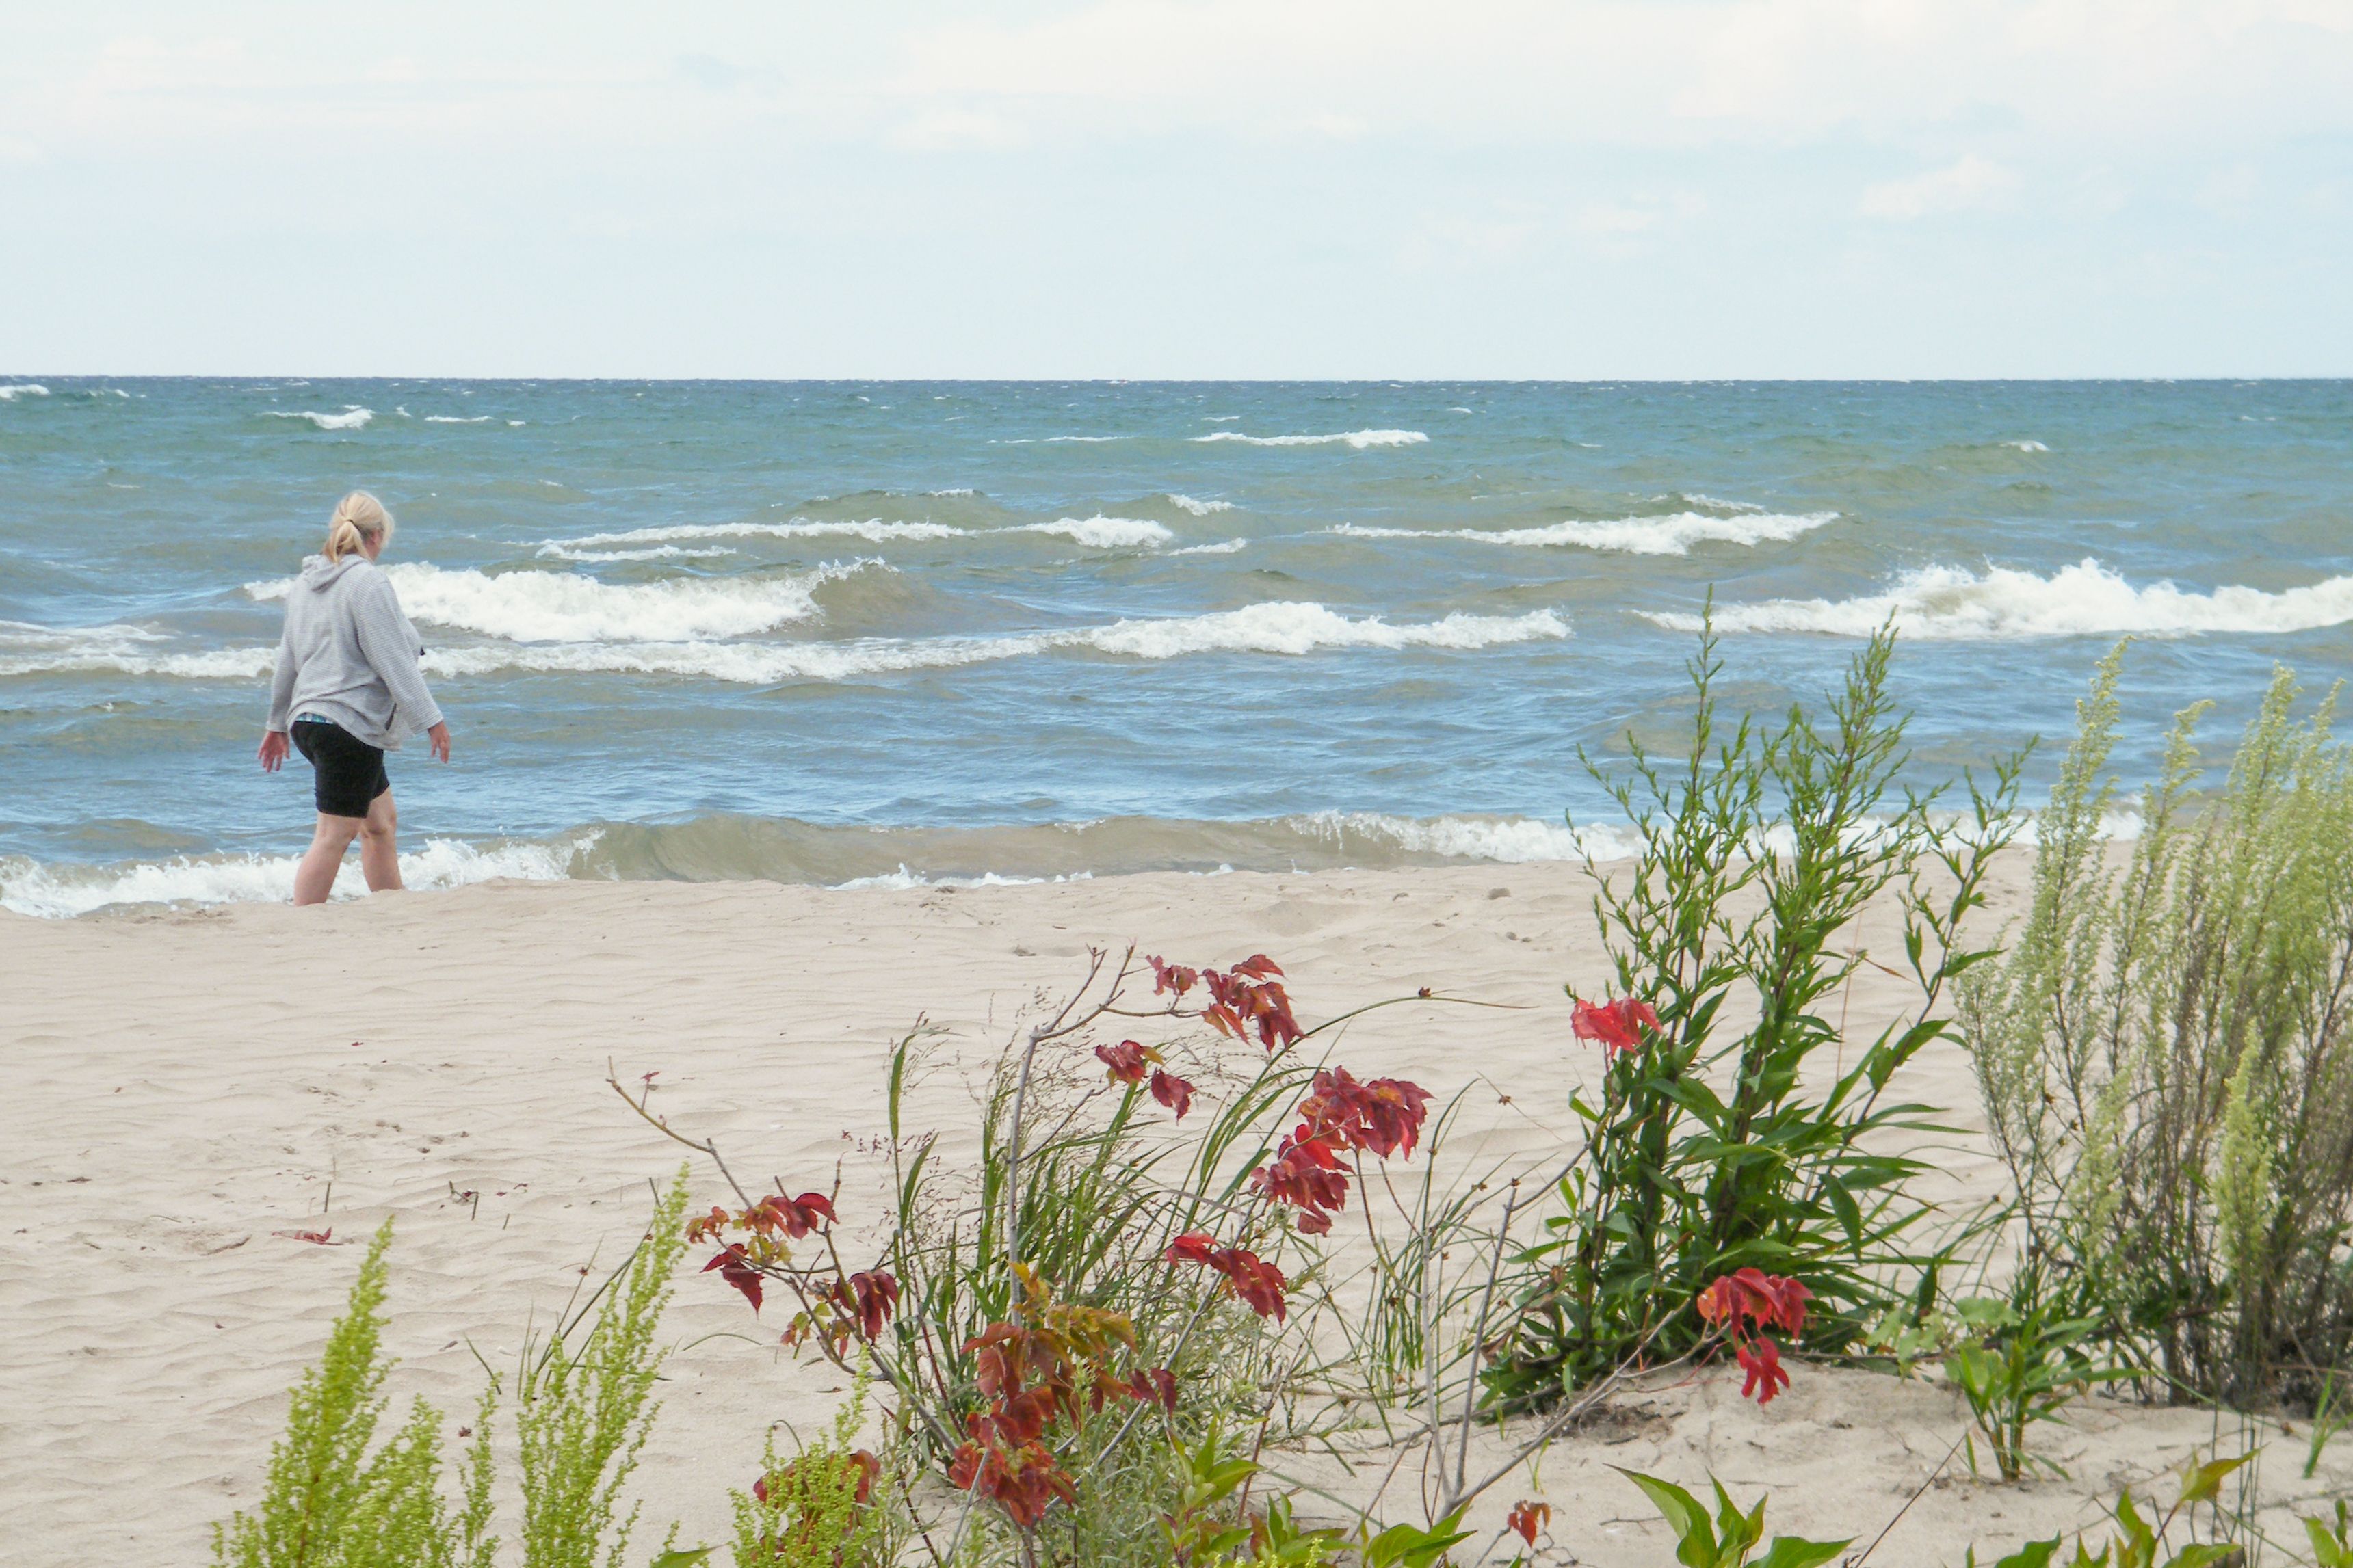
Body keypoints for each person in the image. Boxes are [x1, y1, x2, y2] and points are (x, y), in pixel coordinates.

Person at [257, 491, 451, 905]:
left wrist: (277, 724)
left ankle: (391, 905)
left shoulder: (305, 584)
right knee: (334, 834)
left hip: (310, 721)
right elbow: (392, 659)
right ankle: (304, 921)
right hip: (347, 724)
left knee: (380, 822)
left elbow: (287, 660)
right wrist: (431, 719)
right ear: (378, 536)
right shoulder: (368, 583)